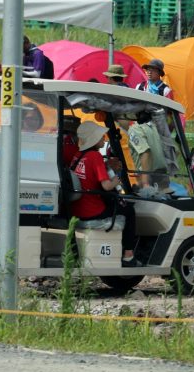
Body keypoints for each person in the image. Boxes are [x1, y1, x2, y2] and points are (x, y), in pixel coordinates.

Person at [70, 121, 139, 264]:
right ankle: (128, 254)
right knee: (129, 210)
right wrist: (119, 176)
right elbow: (107, 186)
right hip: (93, 211)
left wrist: (106, 165)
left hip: (78, 210)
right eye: (101, 136)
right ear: (93, 139)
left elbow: (89, 172)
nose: (104, 139)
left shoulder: (78, 156)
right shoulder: (95, 156)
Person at [126, 110, 169, 191]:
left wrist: (145, 180)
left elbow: (145, 152)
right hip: (163, 175)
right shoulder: (157, 128)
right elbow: (174, 151)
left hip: (149, 177)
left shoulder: (134, 130)